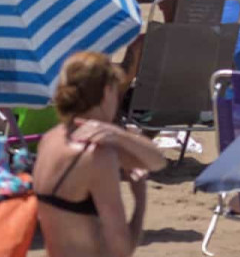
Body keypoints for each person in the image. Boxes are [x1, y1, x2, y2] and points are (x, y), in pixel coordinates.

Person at [32, 50, 168, 257]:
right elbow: (121, 250)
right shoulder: (95, 156)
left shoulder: (50, 139)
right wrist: (140, 200)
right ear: (107, 92)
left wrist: (119, 136)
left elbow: (157, 161)